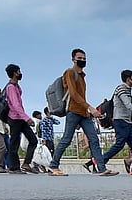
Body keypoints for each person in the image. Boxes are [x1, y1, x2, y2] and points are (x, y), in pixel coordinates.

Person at [48, 48, 116, 176]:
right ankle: (53, 165)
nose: (82, 61)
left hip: (84, 114)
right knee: (66, 139)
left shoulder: (82, 77)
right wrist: (90, 107)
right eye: (79, 58)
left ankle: (101, 168)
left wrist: (87, 110)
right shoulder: (69, 72)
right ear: (73, 59)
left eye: (84, 59)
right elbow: (73, 94)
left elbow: (81, 97)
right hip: (73, 111)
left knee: (94, 139)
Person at [100, 70, 132, 175]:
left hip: (127, 122)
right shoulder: (121, 89)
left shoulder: (127, 89)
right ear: (128, 79)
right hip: (120, 121)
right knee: (120, 144)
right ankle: (101, 160)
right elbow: (127, 104)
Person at [3, 64, 38, 173]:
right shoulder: (11, 87)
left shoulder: (17, 86)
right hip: (14, 118)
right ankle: (14, 167)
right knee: (14, 144)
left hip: (20, 118)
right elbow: (15, 105)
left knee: (33, 140)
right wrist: (27, 118)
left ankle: (26, 163)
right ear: (14, 73)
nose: (20, 73)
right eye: (18, 71)